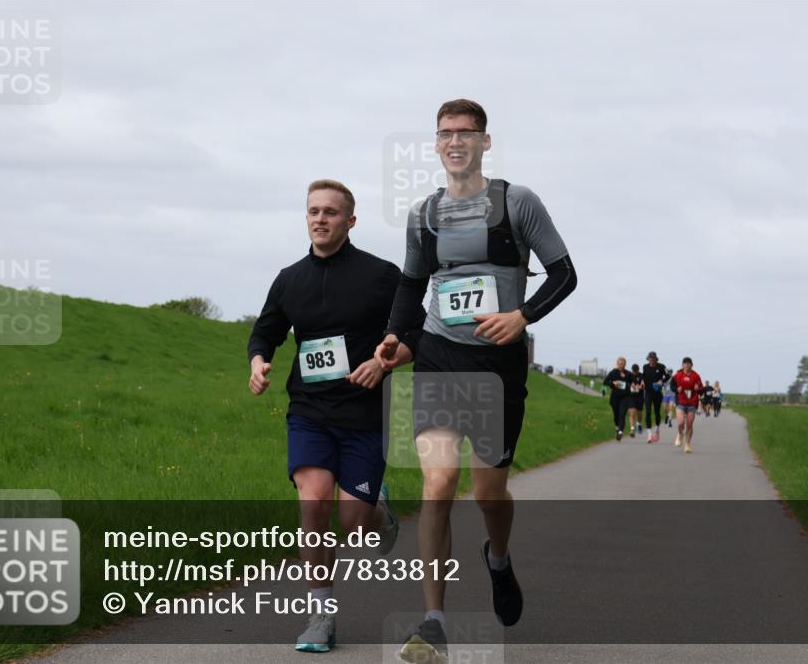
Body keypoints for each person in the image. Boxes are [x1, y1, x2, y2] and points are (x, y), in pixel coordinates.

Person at [376, 99, 576, 662]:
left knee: (489, 495)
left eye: (467, 133)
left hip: (498, 367)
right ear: (436, 145)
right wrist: (396, 336)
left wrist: (523, 316)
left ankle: (498, 557)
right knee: (437, 485)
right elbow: (411, 286)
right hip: (440, 357)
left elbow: (565, 272)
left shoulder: (516, 203)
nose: (456, 141)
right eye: (446, 134)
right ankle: (434, 618)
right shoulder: (424, 215)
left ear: (486, 142)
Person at [248, 179, 423, 653]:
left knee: (354, 521)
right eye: (313, 211)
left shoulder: (382, 276)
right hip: (308, 411)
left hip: (364, 415)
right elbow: (265, 331)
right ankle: (320, 619)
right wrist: (258, 362)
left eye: (330, 212)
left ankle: (378, 513)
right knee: (314, 505)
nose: (320, 219)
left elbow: (418, 333)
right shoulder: (289, 279)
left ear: (350, 220)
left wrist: (385, 360)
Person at [672, 357, 703, 453]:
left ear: (691, 365)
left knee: (689, 424)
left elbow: (702, 389)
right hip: (681, 402)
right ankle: (680, 434)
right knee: (681, 422)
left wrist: (698, 388)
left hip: (692, 403)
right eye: (685, 363)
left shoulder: (696, 376)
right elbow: (672, 386)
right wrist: (676, 389)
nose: (686, 365)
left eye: (688, 363)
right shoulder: (678, 375)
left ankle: (688, 444)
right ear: (682, 365)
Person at [641, 351, 670, 442]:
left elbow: (668, 375)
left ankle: (657, 428)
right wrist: (642, 381)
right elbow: (643, 376)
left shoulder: (661, 366)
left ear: (656, 358)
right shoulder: (645, 367)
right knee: (648, 412)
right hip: (648, 392)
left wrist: (662, 381)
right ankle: (649, 434)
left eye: (653, 358)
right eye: (650, 358)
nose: (651, 360)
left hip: (657, 392)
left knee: (657, 412)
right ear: (648, 358)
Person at [604, 357, 633, 441]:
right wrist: (613, 383)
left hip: (625, 397)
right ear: (617, 364)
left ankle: (620, 431)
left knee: (622, 414)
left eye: (623, 364)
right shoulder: (613, 372)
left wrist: (634, 384)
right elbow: (605, 382)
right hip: (615, 397)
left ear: (625, 364)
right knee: (616, 414)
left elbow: (633, 382)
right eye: (620, 364)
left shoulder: (628, 373)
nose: (621, 365)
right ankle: (617, 427)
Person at [629, 363, 645, 439]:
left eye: (636, 371)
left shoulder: (641, 376)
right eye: (633, 371)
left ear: (638, 370)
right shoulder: (629, 375)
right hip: (631, 397)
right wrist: (630, 385)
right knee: (632, 413)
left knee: (639, 413)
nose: (634, 372)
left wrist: (640, 386)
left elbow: (643, 384)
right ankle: (632, 429)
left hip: (640, 397)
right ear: (632, 370)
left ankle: (639, 424)